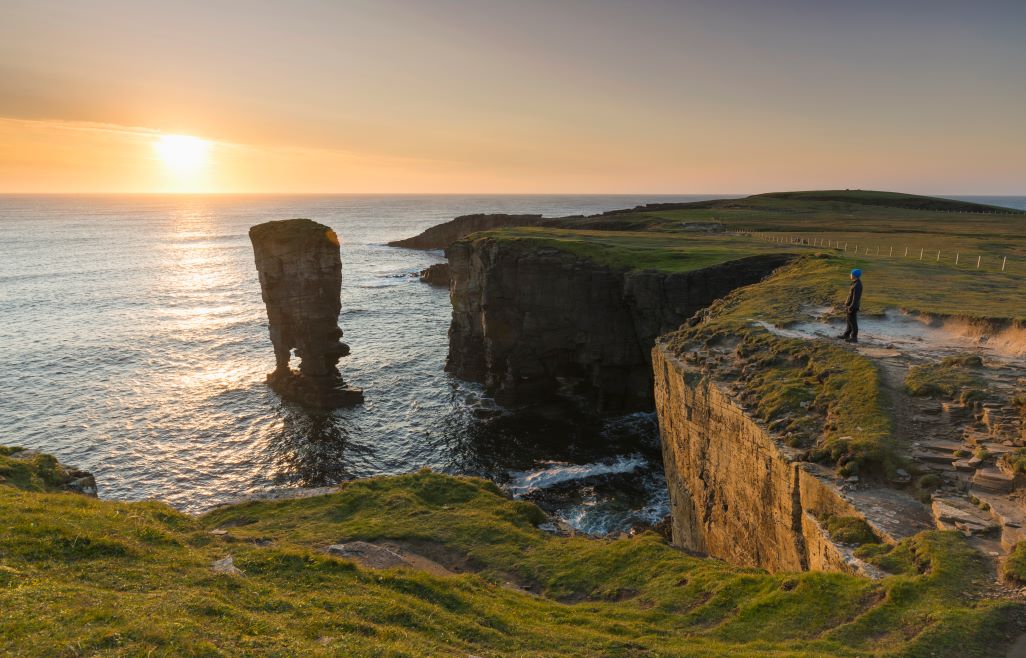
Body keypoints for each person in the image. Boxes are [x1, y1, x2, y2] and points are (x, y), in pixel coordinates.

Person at [840, 269, 862, 343]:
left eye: (851, 274)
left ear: (854, 275)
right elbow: (851, 296)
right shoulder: (854, 283)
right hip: (850, 305)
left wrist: (851, 307)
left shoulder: (857, 284)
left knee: (853, 322)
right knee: (849, 321)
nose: (850, 275)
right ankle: (846, 335)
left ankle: (854, 338)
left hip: (853, 306)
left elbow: (855, 298)